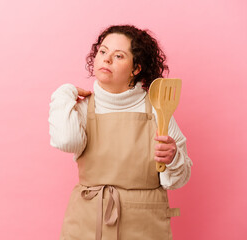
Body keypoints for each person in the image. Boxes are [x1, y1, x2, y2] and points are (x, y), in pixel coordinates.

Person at [48, 25, 192, 240]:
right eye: (103, 52)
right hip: (88, 223)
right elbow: (66, 141)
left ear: (136, 69)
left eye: (118, 56)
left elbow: (176, 181)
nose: (106, 59)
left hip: (145, 227)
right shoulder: (82, 107)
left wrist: (173, 158)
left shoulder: (158, 110)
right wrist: (62, 95)